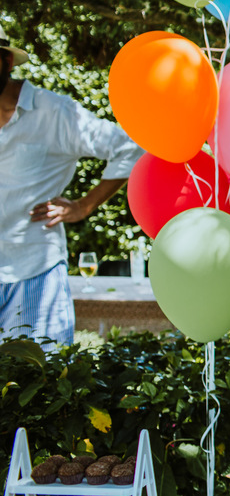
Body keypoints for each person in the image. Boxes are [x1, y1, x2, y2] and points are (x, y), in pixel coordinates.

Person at [0, 26, 142, 346]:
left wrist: (83, 206)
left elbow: (128, 147)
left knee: (41, 388)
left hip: (35, 275)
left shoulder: (54, 112)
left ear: (6, 62)